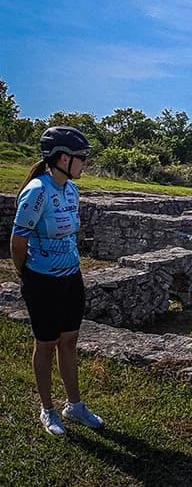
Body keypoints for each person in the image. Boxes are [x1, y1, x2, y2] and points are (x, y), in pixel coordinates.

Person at [10, 126, 105, 435]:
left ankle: (75, 406)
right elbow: (18, 240)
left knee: (69, 340)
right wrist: (27, 275)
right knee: (46, 343)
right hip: (42, 280)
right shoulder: (38, 191)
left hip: (71, 277)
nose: (85, 163)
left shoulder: (72, 189)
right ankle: (47, 409)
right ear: (64, 158)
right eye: (82, 158)